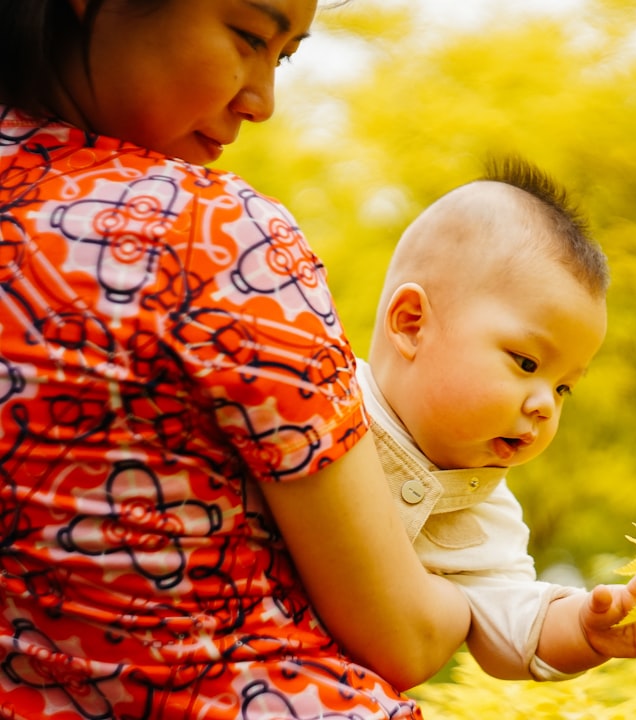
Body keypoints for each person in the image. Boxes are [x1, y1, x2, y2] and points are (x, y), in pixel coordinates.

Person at [0, 1, 476, 717]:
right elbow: (402, 635)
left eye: (281, 57)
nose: (263, 102)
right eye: (249, 36)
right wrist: (492, 597)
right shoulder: (215, 234)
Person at [362, 158, 636, 681]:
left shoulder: (486, 511)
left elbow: (515, 625)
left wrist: (587, 633)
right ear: (411, 325)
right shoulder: (321, 392)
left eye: (564, 386)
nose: (545, 404)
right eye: (527, 363)